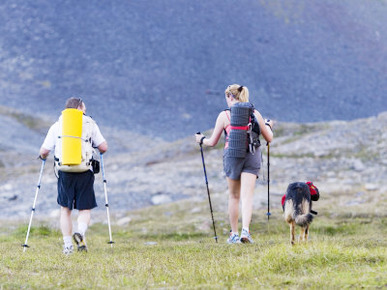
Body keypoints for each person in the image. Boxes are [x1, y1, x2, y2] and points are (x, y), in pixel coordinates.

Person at [195, 84, 273, 244]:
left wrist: (201, 139)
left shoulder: (224, 116)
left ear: (230, 97)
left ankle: (234, 235)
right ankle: (246, 231)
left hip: (232, 156)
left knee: (234, 196)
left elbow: (212, 142)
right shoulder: (255, 113)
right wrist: (267, 125)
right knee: (247, 196)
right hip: (252, 155)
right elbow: (269, 138)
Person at [39, 97, 108, 254]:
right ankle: (81, 233)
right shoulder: (90, 123)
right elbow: (103, 147)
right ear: (80, 108)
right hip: (84, 170)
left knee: (65, 209)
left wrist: (42, 157)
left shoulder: (57, 126)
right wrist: (98, 150)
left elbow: (44, 151)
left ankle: (68, 246)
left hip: (65, 172)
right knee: (85, 208)